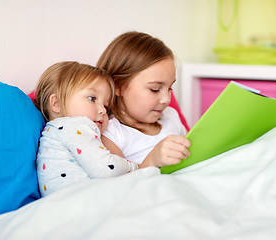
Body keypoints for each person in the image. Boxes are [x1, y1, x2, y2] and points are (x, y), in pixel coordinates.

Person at [34, 61, 140, 196]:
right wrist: (137, 167)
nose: (102, 110)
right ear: (57, 103)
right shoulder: (74, 126)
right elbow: (106, 169)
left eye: (106, 106)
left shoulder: (53, 132)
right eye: (92, 98)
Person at [96, 31, 191, 169]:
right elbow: (119, 185)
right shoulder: (113, 134)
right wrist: (151, 161)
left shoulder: (171, 117)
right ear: (118, 86)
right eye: (155, 89)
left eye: (170, 88)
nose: (166, 99)